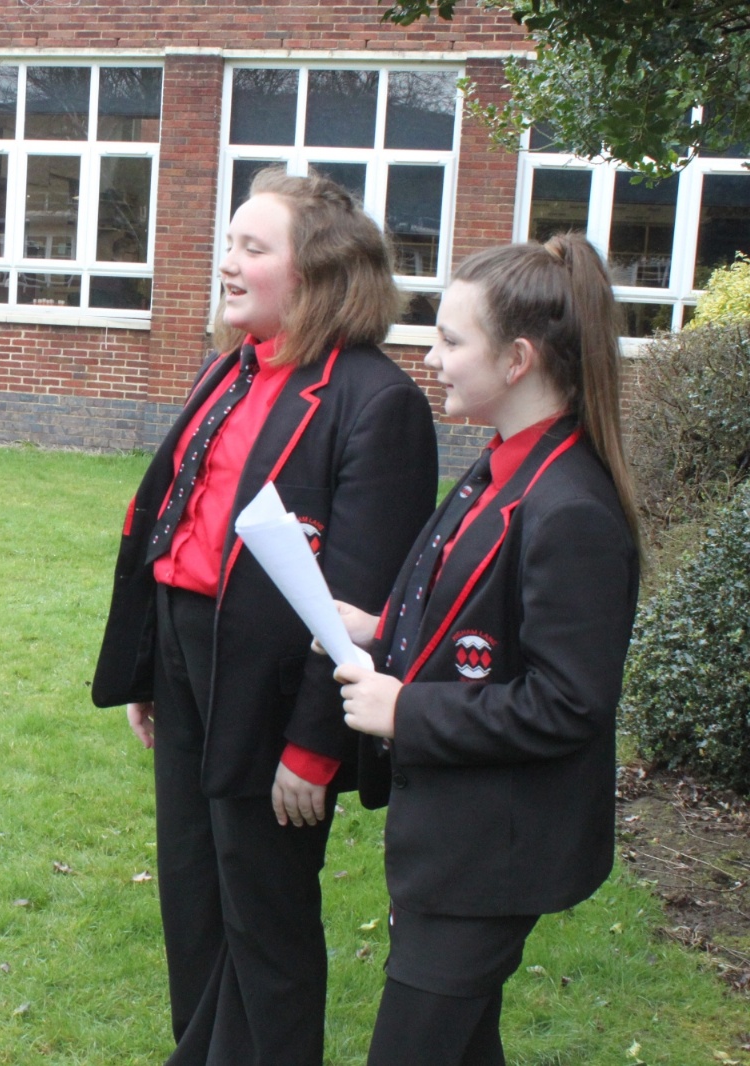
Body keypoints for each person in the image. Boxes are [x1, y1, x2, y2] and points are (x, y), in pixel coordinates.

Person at [92, 167, 438, 1065]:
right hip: (188, 656)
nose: (227, 263)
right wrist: (149, 668)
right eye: (229, 243)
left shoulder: (378, 402)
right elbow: (175, 526)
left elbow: (357, 604)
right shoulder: (231, 367)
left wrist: (314, 747)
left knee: (264, 914)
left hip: (275, 688)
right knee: (194, 893)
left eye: (253, 247)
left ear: (317, 273)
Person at [333, 233, 641, 1066]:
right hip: (455, 842)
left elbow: (568, 703)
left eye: (449, 340)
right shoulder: (503, 466)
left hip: (494, 855)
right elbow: (476, 609)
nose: (429, 358)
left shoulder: (569, 508)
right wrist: (380, 628)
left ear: (517, 360)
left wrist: (407, 709)